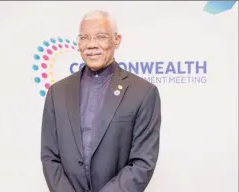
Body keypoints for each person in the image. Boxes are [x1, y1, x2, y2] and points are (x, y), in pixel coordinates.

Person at [41, 10, 161, 192]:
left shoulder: (143, 93)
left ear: (117, 40)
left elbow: (142, 162)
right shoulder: (57, 93)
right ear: (78, 43)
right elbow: (50, 156)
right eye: (84, 38)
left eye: (101, 37)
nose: (91, 45)